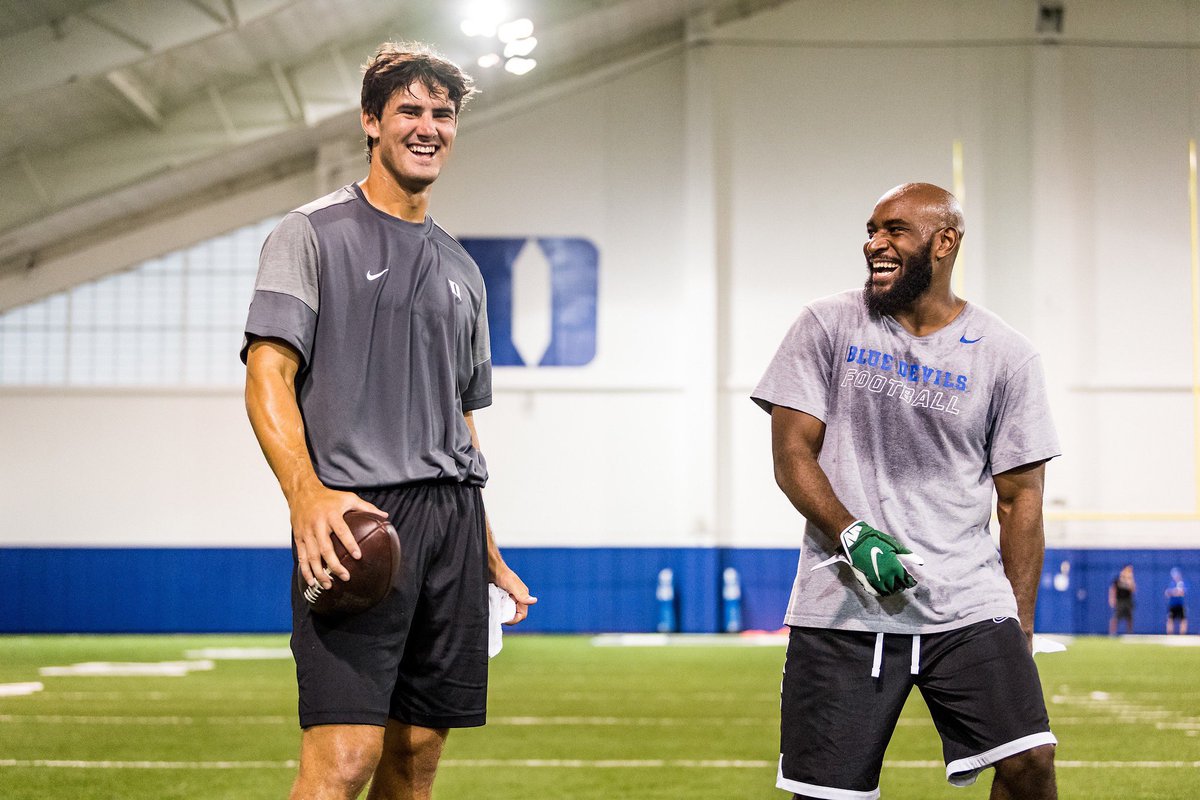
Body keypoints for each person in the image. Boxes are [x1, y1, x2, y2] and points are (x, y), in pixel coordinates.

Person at [242, 41, 535, 800]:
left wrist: (487, 549)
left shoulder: (462, 270)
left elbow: (462, 425)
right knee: (344, 760)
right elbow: (267, 373)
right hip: (360, 517)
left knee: (417, 759)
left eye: (443, 113)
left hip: (452, 523)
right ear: (371, 122)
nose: (428, 126)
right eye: (410, 109)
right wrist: (305, 495)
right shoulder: (309, 234)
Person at [753, 183, 1059, 799]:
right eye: (871, 230)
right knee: (826, 797)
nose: (875, 244)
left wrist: (1018, 629)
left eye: (894, 230)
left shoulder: (1007, 356)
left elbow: (1020, 500)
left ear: (944, 243)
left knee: (1029, 765)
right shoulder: (826, 324)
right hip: (842, 606)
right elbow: (792, 454)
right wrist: (852, 534)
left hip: (968, 602)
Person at [1109, 564, 1135, 635]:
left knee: (1129, 618)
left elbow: (1133, 589)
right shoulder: (1118, 579)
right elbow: (1113, 589)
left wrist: (1130, 581)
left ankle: (1129, 633)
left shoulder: (1130, 580)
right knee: (1116, 617)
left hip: (1128, 601)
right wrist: (1112, 599)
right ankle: (1112, 633)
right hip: (1119, 601)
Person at [1166, 567, 1187, 634]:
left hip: (1180, 604)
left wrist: (1174, 592)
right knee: (1170, 619)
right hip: (1172, 605)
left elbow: (1182, 592)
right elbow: (1167, 593)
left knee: (1183, 620)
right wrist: (1175, 592)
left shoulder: (1182, 583)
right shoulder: (1171, 583)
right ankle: (1169, 634)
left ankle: (1183, 635)